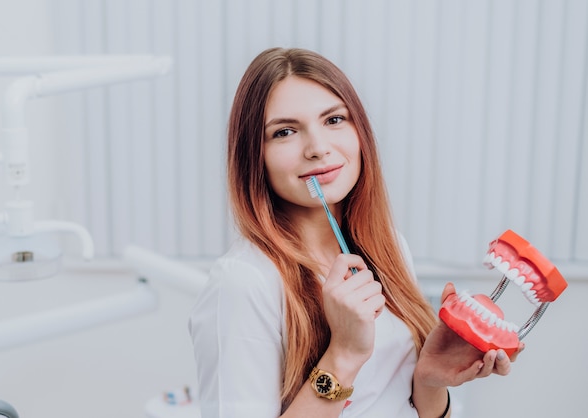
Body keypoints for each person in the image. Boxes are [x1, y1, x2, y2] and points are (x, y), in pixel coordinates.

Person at [189, 47, 521, 418]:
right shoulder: (243, 283)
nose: (318, 148)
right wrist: (343, 354)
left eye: (333, 120)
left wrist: (429, 380)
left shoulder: (387, 244)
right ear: (254, 156)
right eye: (284, 132)